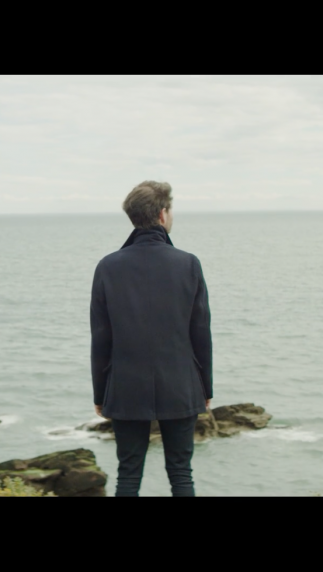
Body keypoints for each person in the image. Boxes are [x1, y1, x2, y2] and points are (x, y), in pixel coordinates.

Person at [90, 181, 213, 497]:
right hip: (180, 383)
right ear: (162, 213)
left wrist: (100, 393)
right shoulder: (188, 264)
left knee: (128, 475)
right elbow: (201, 333)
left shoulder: (108, 267)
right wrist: (205, 388)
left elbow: (101, 338)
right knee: (181, 475)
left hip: (126, 385)